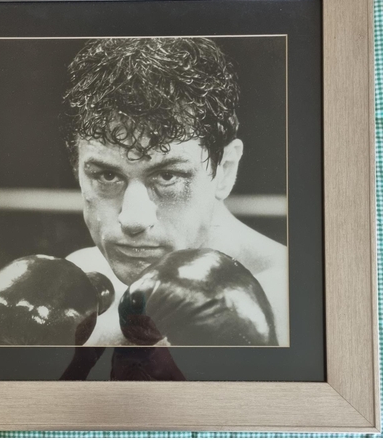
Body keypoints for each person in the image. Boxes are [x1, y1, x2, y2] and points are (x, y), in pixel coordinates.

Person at [62, 37, 288, 346]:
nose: (133, 220)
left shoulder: (292, 298)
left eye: (168, 176)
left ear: (226, 170)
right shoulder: (80, 278)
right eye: (106, 175)